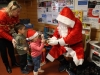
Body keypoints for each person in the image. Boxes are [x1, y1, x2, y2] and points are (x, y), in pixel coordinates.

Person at [46, 7, 84, 75]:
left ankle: (70, 67)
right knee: (52, 51)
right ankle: (64, 63)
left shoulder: (77, 23)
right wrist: (54, 38)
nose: (61, 23)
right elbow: (57, 31)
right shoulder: (62, 22)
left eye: (63, 22)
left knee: (79, 57)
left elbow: (72, 37)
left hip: (75, 45)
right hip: (62, 43)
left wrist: (57, 42)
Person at [0, 1, 21, 73]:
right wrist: (11, 38)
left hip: (9, 33)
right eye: (17, 12)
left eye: (19, 12)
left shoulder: (15, 15)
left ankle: (14, 62)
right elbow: (1, 31)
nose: (18, 14)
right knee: (3, 52)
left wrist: (18, 34)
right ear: (11, 10)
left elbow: (16, 25)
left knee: (11, 49)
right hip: (1, 36)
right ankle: (7, 66)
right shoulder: (2, 14)